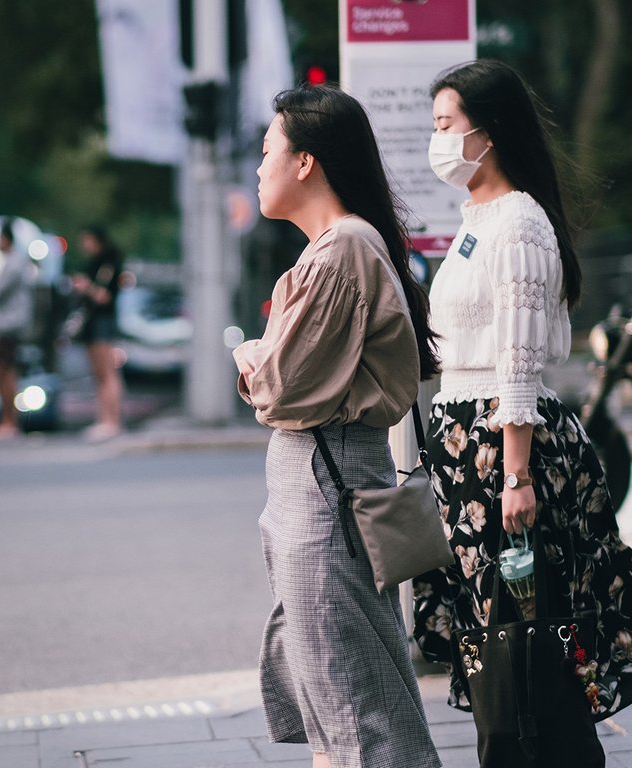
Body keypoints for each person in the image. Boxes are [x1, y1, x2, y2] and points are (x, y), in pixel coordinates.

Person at [410, 59, 632, 768]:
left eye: (446, 124)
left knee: (532, 627)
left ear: (490, 130)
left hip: (505, 451)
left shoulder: (521, 223)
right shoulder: (477, 219)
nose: (437, 140)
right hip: (467, 448)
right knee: (500, 627)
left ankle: (543, 750)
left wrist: (514, 474)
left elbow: (517, 360)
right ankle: (518, 746)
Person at [233, 84, 443, 768]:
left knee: (353, 704)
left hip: (325, 488)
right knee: (336, 695)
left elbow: (281, 387)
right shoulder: (340, 245)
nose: (258, 168)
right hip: (321, 482)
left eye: (267, 151)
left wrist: (248, 355)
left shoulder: (344, 247)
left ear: (305, 162)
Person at [0, 218, 33, 439]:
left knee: (2, 370)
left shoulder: (13, 264)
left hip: (6, 326)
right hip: (6, 325)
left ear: (5, 239)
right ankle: (8, 420)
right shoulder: (13, 263)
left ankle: (9, 421)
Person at [71, 225, 125, 441]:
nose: (84, 245)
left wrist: (86, 287)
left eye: (88, 240)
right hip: (93, 323)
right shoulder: (95, 263)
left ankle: (112, 421)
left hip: (102, 321)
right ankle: (104, 419)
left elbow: (105, 296)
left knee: (107, 372)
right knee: (99, 374)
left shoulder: (109, 263)